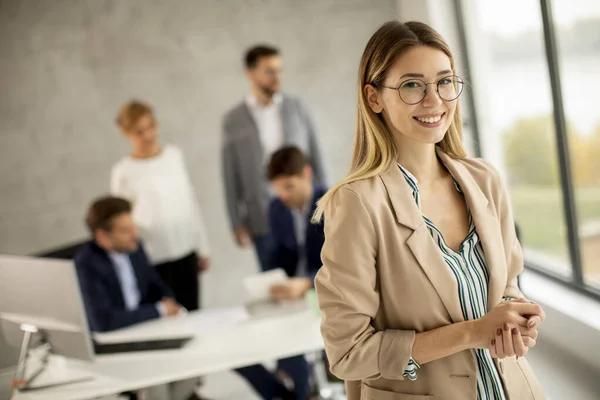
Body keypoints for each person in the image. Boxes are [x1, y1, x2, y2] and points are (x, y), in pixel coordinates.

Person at [312, 21, 546, 400]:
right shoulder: (358, 203)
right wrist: (471, 333)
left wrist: (513, 320)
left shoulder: (484, 180)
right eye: (411, 85)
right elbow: (347, 353)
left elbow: (506, 287)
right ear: (374, 98)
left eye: (444, 81)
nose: (434, 100)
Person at [75, 196, 299, 400]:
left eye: (133, 226)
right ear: (102, 236)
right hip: (123, 349)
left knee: (226, 349)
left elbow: (156, 286)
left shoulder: (135, 247)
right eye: (125, 230)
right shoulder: (86, 264)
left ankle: (282, 396)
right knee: (160, 386)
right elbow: (103, 321)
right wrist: (159, 310)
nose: (135, 234)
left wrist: (169, 304)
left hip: (154, 331)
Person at [222, 44, 329, 271]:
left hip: (306, 208)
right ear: (250, 73)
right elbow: (230, 174)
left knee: (318, 269)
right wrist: (236, 222)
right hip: (263, 217)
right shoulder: (234, 120)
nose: (277, 77)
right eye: (269, 71)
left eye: (279, 70)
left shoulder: (297, 107)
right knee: (276, 276)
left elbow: (316, 156)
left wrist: (328, 200)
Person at [111, 100, 210, 313]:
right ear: (126, 134)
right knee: (168, 318)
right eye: (139, 131)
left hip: (185, 251)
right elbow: (121, 221)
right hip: (153, 258)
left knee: (194, 313)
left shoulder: (174, 156)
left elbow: (189, 201)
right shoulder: (124, 171)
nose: (148, 135)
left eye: (151, 127)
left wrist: (203, 246)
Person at [266, 146, 326, 301]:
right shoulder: (276, 208)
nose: (283, 196)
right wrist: (272, 281)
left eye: (289, 187)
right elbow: (276, 256)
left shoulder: (332, 203)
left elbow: (343, 264)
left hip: (324, 290)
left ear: (306, 174)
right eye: (278, 190)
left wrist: (307, 283)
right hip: (291, 296)